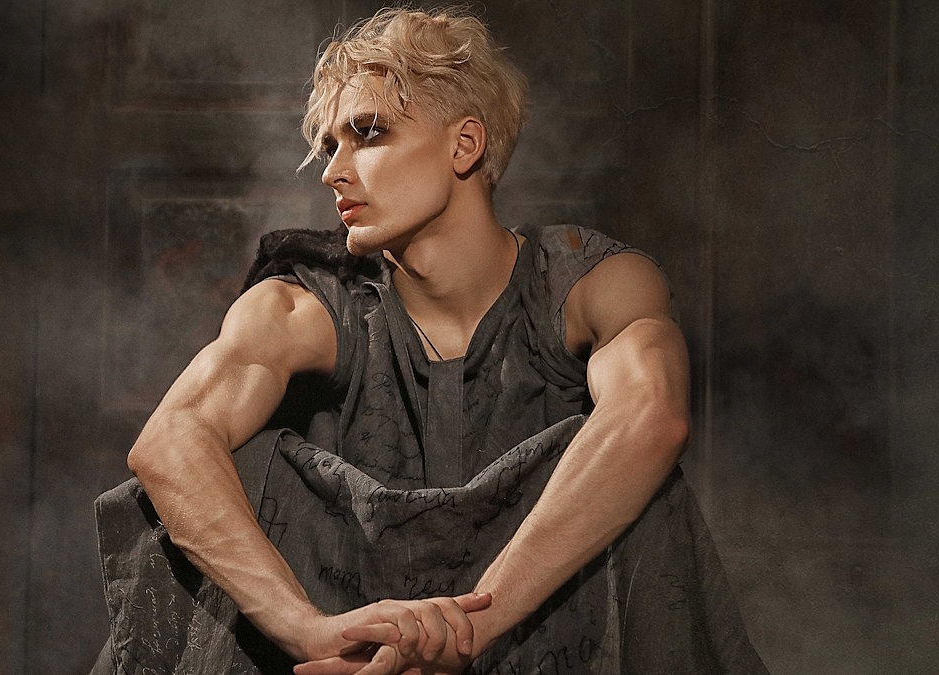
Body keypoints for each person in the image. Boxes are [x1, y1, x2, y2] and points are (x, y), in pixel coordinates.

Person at [91, 7, 766, 674]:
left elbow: (653, 416)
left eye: (368, 134)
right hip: (351, 624)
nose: (332, 171)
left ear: (464, 145)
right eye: (330, 147)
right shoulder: (306, 303)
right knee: (244, 460)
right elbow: (169, 440)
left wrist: (469, 629)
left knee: (636, 477)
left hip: (541, 634)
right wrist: (307, 631)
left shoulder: (591, 282)